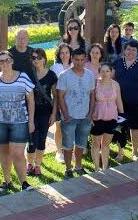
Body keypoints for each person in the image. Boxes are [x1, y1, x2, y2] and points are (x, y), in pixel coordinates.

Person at [0, 51, 35, 193]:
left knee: (18, 153)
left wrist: (31, 121)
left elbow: (31, 100)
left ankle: (24, 182)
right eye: (1, 61)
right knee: (5, 152)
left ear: (12, 61)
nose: (4, 63)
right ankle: (7, 181)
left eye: (7, 60)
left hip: (19, 122)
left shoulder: (23, 77)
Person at [57, 49, 96, 178]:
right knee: (67, 144)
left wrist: (90, 114)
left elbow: (92, 95)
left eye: (82, 60)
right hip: (70, 116)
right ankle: (68, 168)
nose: (79, 63)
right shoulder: (64, 75)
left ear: (85, 59)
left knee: (81, 143)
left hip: (85, 116)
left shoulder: (90, 75)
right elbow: (60, 96)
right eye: (76, 60)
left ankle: (78, 166)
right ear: (72, 59)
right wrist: (66, 115)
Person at [113, 40, 138, 161]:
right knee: (119, 127)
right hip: (119, 103)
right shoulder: (117, 63)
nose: (130, 52)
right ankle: (120, 152)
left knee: (135, 127)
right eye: (128, 49)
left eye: (134, 50)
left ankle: (135, 152)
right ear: (124, 50)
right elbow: (111, 80)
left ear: (137, 52)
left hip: (136, 102)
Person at [25, 48, 58, 177]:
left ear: (44, 59)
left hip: (45, 113)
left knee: (42, 140)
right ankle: (29, 164)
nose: (36, 60)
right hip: (31, 113)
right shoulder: (29, 75)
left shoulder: (51, 75)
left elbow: (55, 97)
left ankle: (37, 165)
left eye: (38, 57)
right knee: (31, 140)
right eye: (33, 58)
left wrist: (54, 114)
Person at [90, 63, 123, 172]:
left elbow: (119, 101)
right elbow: (91, 101)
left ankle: (105, 167)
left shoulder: (116, 85)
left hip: (112, 118)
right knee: (96, 144)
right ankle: (96, 168)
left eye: (107, 71)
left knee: (105, 144)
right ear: (99, 72)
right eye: (102, 71)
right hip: (97, 118)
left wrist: (122, 118)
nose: (105, 73)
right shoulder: (95, 84)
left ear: (111, 72)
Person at [51, 43, 73, 162]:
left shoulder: (74, 65)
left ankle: (70, 150)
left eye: (67, 52)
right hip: (59, 102)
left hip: (73, 102)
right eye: (62, 53)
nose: (65, 55)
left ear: (70, 54)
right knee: (59, 128)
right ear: (59, 55)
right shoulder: (55, 68)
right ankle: (59, 152)